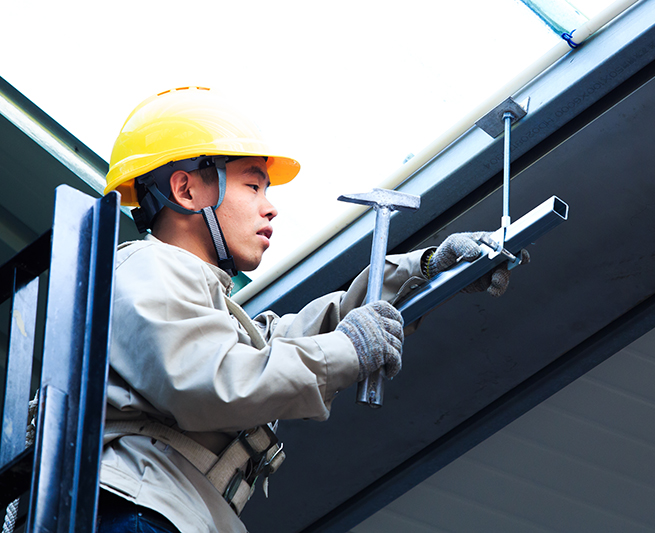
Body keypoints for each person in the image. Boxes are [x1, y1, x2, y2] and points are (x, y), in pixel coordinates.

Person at [98, 86, 526, 533]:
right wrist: (346, 349)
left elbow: (300, 338)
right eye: (252, 185)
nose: (271, 207)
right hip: (139, 514)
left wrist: (428, 270)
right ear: (186, 190)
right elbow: (217, 382)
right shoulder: (147, 267)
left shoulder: (202, 305)